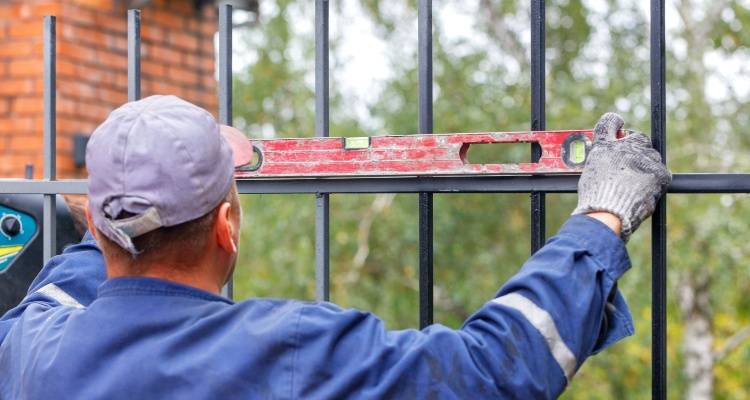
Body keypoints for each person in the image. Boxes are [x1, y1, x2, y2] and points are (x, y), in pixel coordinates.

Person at [0, 95, 670, 399]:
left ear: (98, 222)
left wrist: (135, 184)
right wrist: (601, 218)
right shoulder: (284, 351)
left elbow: (76, 276)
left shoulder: (31, 345)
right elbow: (493, 373)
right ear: (228, 227)